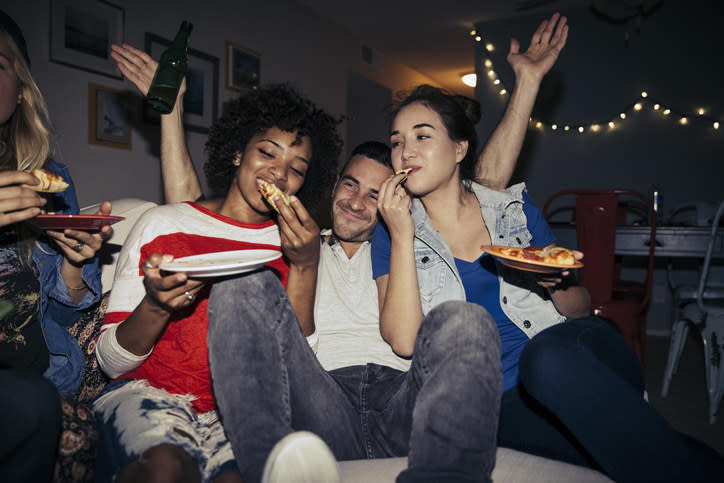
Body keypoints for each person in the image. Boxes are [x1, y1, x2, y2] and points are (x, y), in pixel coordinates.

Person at [108, 13, 570, 483]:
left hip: (402, 402)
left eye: (375, 193)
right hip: (322, 400)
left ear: (397, 196)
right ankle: (267, 467)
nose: (356, 201)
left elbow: (482, 186)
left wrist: (526, 86)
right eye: (349, 185)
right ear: (328, 187)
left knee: (466, 321)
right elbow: (194, 217)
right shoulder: (295, 241)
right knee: (240, 288)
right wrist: (171, 116)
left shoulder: (411, 244)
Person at [370, 83, 724, 482]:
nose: (406, 151)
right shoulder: (391, 232)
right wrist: (401, 234)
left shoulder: (513, 211)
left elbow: (582, 305)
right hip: (502, 402)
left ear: (459, 149)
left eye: (422, 136)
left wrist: (555, 284)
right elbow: (403, 341)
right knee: (632, 453)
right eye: (397, 142)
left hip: (577, 352)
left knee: (546, 359)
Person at [93, 83, 343, 482]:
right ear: (237, 151)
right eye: (267, 152)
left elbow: (297, 372)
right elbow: (109, 362)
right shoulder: (164, 223)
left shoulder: (301, 245)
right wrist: (156, 306)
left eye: (296, 168)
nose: (279, 173)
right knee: (167, 469)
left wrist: (306, 266)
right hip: (147, 395)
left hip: (245, 412)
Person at [0, 10, 113, 482]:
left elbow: (59, 320)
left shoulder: (49, 180)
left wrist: (72, 263)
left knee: (37, 403)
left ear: (20, 88)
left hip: (33, 371)